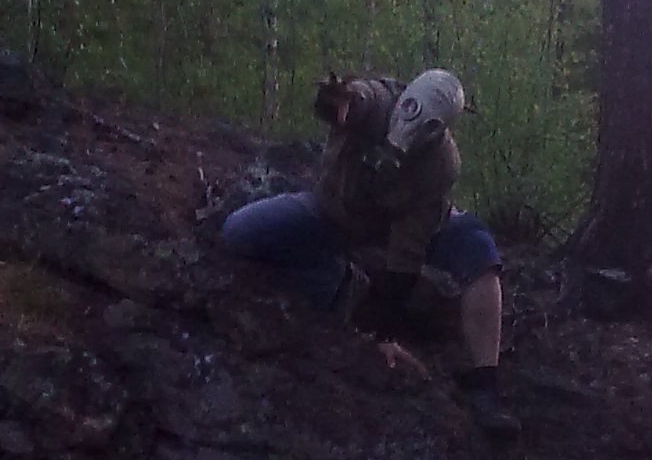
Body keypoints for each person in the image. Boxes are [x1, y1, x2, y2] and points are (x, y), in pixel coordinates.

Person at [222, 69, 521, 439]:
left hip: (400, 226)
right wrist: (338, 100)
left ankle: (484, 385)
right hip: (337, 211)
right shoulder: (377, 102)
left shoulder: (440, 165)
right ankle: (345, 288)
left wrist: (385, 333)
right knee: (241, 232)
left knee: (478, 249)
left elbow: (407, 249)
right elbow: (355, 100)